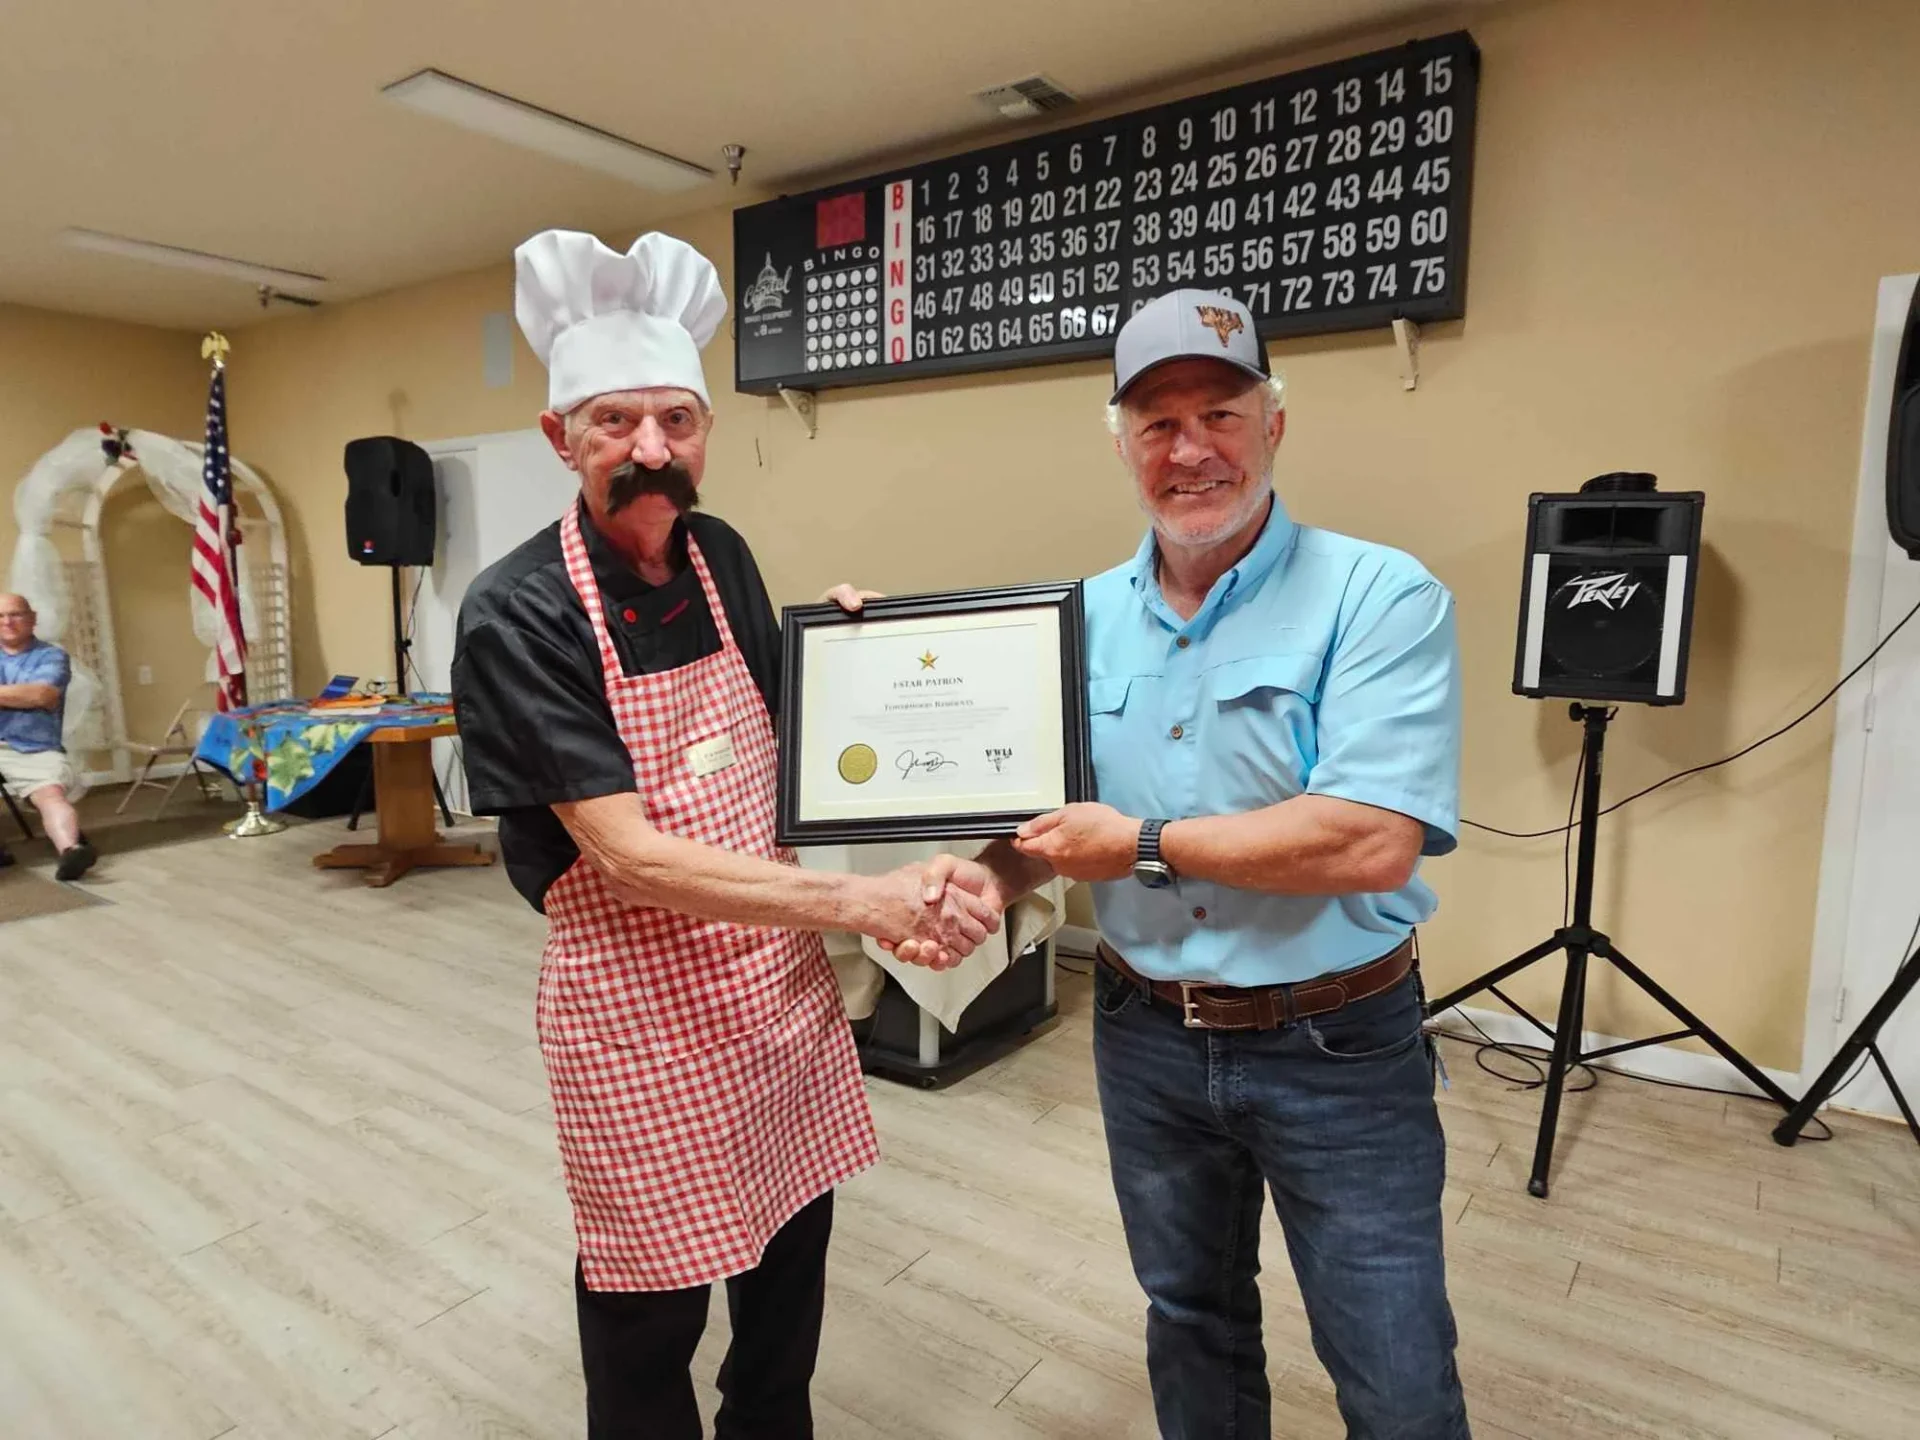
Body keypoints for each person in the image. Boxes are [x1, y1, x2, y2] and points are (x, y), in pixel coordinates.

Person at [890, 289, 1470, 1438]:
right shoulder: (1074, 620)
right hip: (1146, 1035)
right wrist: (984, 876)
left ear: (1274, 425)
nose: (1190, 448)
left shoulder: (1379, 594)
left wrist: (1141, 846)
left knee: (1394, 1366)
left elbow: (1369, 838)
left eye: (1220, 414)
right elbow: (1047, 819)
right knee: (1190, 1318)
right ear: (1122, 443)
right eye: (1157, 423)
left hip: (1337, 1047)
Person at [450, 229, 995, 1440]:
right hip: (638, 1006)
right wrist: (862, 905)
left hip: (774, 994)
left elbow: (799, 739)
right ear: (560, 438)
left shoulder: (722, 557)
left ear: (704, 432)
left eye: (677, 420)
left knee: (790, 1263)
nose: (651, 449)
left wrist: (861, 664)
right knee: (649, 1305)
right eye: (615, 422)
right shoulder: (519, 611)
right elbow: (628, 855)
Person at [0, 593, 96, 880]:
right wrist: (18, 695)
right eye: (1, 616)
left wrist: (30, 695)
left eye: (15, 614)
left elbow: (42, 695)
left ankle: (71, 851)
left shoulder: (52, 656)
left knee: (49, 795)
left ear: (32, 619)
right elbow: (28, 695)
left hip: (34, 747)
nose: (7, 622)